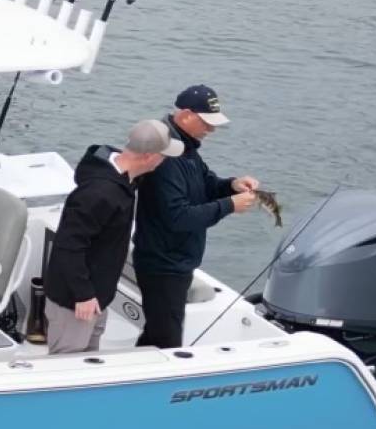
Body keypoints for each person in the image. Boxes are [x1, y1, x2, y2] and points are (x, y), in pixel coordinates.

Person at [132, 84, 260, 349]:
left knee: (159, 331)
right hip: (162, 263)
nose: (211, 130)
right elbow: (178, 216)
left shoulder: (188, 148)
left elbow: (205, 183)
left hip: (177, 260)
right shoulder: (167, 154)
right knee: (166, 341)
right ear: (187, 115)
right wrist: (229, 205)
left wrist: (231, 185)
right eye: (207, 122)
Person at [42, 120, 184, 355]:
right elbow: (68, 245)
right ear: (149, 157)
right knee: (66, 367)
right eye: (163, 156)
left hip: (97, 297)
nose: (164, 162)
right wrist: (84, 294)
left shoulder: (124, 176)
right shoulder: (98, 193)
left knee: (89, 361)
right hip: (75, 303)